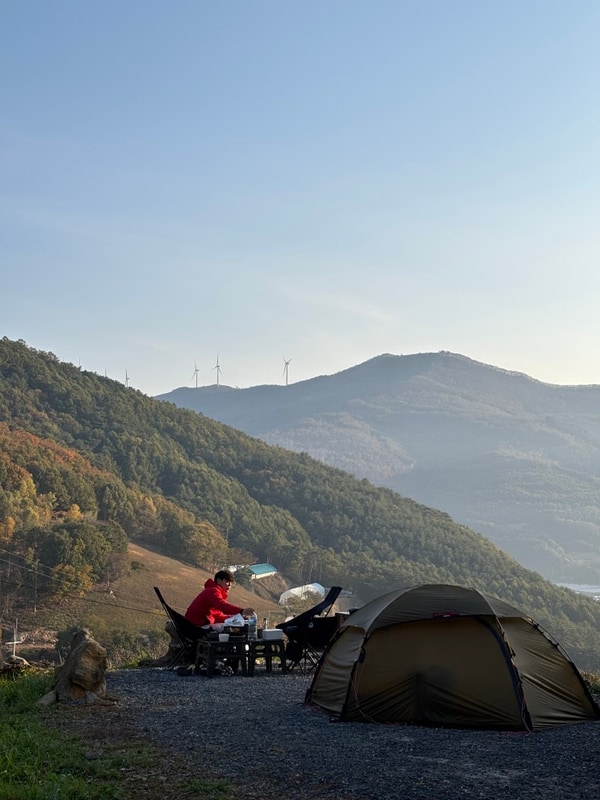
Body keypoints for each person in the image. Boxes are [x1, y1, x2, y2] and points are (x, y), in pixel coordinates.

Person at [185, 569, 255, 628]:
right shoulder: (212, 591)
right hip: (196, 626)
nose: (229, 585)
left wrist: (238, 617)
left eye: (231, 582)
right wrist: (241, 611)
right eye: (227, 581)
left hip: (199, 625)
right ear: (218, 581)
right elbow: (222, 606)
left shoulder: (214, 592)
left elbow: (219, 617)